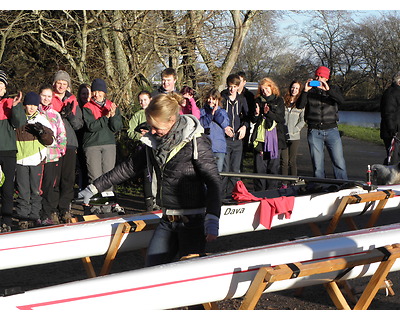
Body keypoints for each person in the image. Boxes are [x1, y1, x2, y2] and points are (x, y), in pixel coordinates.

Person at [78, 92, 221, 267]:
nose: (151, 131)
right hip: (167, 220)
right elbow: (128, 168)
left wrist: (213, 217)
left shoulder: (195, 142)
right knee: (151, 270)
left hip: (193, 223)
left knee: (188, 276)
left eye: (155, 126)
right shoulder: (153, 142)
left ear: (171, 120)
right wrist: (94, 188)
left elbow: (213, 181)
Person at [298, 66, 347, 180]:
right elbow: (300, 105)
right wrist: (305, 91)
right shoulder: (310, 90)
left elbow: (341, 101)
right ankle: (320, 185)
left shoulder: (333, 88)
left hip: (332, 130)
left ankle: (343, 184)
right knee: (317, 165)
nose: (318, 79)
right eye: (317, 76)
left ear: (326, 78)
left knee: (339, 161)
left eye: (321, 77)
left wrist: (328, 90)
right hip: (314, 130)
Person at [82, 78, 123, 213]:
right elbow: (92, 126)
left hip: (109, 144)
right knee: (94, 177)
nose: (97, 94)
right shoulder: (87, 107)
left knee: (108, 176)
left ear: (105, 93)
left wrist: (113, 115)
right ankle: (95, 207)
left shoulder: (112, 106)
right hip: (92, 145)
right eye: (94, 91)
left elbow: (116, 127)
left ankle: (107, 206)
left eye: (100, 91)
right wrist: (105, 117)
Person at [15, 92, 54, 229]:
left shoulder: (42, 120)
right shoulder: (18, 119)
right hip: (20, 160)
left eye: (34, 105)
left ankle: (34, 216)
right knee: (22, 191)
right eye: (29, 104)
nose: (31, 108)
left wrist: (42, 133)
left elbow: (50, 141)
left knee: (35, 191)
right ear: (24, 105)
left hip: (37, 160)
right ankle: (22, 218)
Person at [51, 70, 83, 223]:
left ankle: (65, 208)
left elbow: (78, 124)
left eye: (64, 83)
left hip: (70, 143)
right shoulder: (48, 98)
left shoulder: (72, 100)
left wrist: (69, 114)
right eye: (59, 83)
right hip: (54, 143)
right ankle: (53, 209)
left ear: (68, 85)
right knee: (54, 178)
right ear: (54, 84)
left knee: (68, 179)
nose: (62, 86)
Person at [0, 70, 26, 232]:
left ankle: (6, 222)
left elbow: (20, 122)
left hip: (8, 151)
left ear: (5, 88)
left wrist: (16, 107)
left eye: (1, 85)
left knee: (7, 189)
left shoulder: (10, 102)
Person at [250, 77, 286, 191]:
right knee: (260, 169)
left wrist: (268, 113)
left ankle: (271, 193)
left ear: (272, 88)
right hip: (261, 139)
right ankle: (259, 194)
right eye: (262, 89)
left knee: (273, 168)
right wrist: (256, 114)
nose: (265, 91)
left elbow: (280, 118)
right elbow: (253, 120)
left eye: (267, 88)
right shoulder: (257, 101)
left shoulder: (279, 101)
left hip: (275, 140)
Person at [38, 85, 67, 225]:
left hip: (52, 155)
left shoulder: (55, 114)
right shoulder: (34, 112)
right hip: (36, 156)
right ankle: (35, 213)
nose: (46, 99)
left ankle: (46, 213)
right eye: (44, 95)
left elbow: (62, 133)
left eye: (49, 96)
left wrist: (60, 149)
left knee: (49, 185)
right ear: (39, 95)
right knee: (37, 185)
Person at [220, 74, 249, 198]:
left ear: (238, 87)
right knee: (224, 169)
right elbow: (216, 115)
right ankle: (221, 196)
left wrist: (244, 127)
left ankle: (234, 195)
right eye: (230, 87)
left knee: (235, 169)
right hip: (224, 140)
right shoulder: (222, 98)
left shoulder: (242, 99)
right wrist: (224, 126)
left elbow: (247, 117)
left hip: (237, 140)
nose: (232, 90)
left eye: (234, 87)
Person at [127, 90, 155, 211]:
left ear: (150, 100)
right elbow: (129, 131)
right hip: (143, 149)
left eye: (145, 100)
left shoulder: (155, 112)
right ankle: (149, 202)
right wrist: (140, 136)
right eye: (140, 100)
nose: (142, 102)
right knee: (147, 174)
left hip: (156, 148)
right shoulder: (138, 115)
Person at [200, 88, 230, 172]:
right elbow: (202, 123)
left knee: (217, 174)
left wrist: (215, 112)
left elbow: (225, 123)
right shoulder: (202, 112)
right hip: (205, 148)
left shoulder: (222, 112)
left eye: (213, 99)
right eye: (209, 98)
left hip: (218, 148)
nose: (211, 101)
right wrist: (210, 114)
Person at [281, 80, 305, 179]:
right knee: (284, 161)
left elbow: (303, 120)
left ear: (299, 90)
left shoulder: (301, 103)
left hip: (294, 136)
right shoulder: (283, 101)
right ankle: (284, 183)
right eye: (293, 87)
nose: (294, 90)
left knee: (292, 161)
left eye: (296, 88)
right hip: (283, 135)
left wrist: (296, 129)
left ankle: (293, 182)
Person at [379, 71, 400, 165]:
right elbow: (388, 113)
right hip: (393, 132)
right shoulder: (391, 93)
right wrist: (392, 131)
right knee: (393, 160)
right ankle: (386, 177)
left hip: (395, 131)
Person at [76, 83, 91, 190]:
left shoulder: (93, 108)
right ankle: (83, 189)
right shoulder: (77, 108)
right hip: (80, 142)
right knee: (82, 168)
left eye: (88, 93)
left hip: (91, 142)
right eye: (83, 93)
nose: (86, 96)